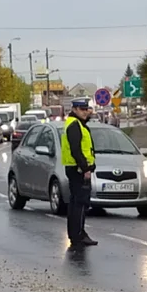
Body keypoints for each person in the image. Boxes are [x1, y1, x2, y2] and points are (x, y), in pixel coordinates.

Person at [61, 98, 98, 248]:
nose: (85, 112)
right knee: (80, 204)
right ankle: (78, 235)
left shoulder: (77, 123)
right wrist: (85, 169)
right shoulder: (74, 125)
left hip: (76, 169)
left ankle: (77, 234)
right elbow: (76, 150)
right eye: (82, 109)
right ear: (75, 109)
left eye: (86, 109)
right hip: (78, 170)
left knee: (76, 203)